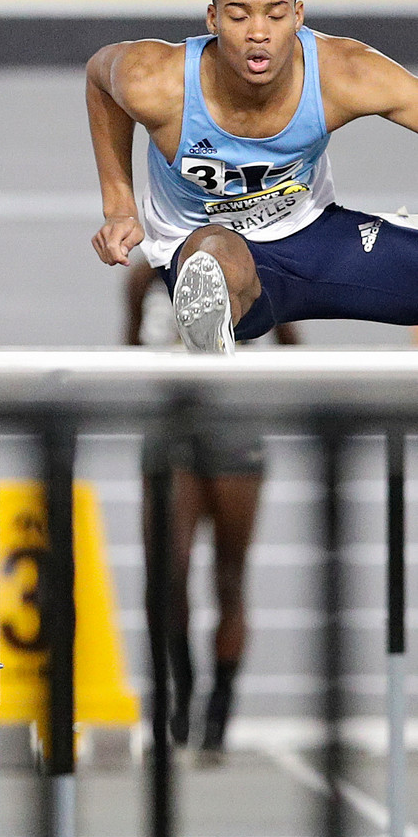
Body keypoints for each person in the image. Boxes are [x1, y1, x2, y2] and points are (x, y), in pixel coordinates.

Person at [88, 0, 418, 352]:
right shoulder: (156, 80)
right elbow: (100, 79)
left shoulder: (346, 73)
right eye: (239, 16)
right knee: (215, 253)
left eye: (275, 15)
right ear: (213, 18)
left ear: (298, 15)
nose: (257, 32)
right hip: (217, 258)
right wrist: (119, 207)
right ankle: (207, 324)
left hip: (318, 239)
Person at [127, 257, 297, 752]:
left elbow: (292, 347)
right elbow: (128, 347)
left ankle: (219, 708)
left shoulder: (261, 266)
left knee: (228, 575)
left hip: (235, 424)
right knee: (168, 573)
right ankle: (178, 694)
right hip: (170, 423)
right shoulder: (146, 275)